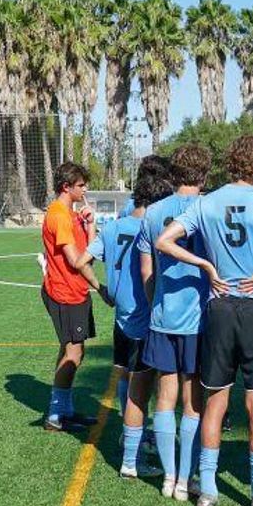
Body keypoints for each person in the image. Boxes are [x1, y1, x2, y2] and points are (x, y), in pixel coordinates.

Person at [157, 135, 253, 506]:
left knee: (215, 401)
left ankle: (208, 492)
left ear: (230, 163)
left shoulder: (206, 203)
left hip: (218, 308)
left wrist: (206, 266)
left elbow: (164, 240)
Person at [136, 145, 214, 500]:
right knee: (192, 401)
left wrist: (157, 304)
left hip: (163, 317)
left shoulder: (152, 212)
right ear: (205, 175)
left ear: (173, 174)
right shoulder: (209, 208)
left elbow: (146, 271)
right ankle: (186, 478)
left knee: (164, 400)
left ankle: (168, 477)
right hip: (199, 319)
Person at [94, 168, 174, 479]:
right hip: (145, 320)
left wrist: (102, 289)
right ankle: (131, 458)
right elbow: (148, 273)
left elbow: (82, 260)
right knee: (141, 392)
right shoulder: (153, 228)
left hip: (122, 319)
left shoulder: (115, 226)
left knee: (131, 382)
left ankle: (132, 441)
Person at [41, 162, 109, 433]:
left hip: (75, 291)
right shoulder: (59, 215)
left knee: (73, 350)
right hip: (65, 292)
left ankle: (64, 411)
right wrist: (100, 288)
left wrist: (90, 224)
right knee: (74, 352)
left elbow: (88, 248)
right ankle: (56, 415)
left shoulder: (71, 214)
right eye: (81, 185)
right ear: (66, 187)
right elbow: (76, 260)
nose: (85, 189)